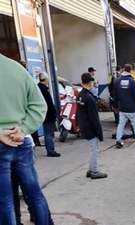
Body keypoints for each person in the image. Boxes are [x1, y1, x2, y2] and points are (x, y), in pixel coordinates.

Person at [0, 54, 51, 224]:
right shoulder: (16, 69)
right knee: (35, 194)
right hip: (21, 141)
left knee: (5, 201)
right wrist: (23, 129)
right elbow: (39, 105)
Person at [76, 72, 108, 179]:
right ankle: (94, 171)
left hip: (83, 126)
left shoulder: (80, 96)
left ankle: (90, 170)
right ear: (90, 82)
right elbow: (94, 118)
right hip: (90, 128)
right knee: (95, 150)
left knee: (92, 149)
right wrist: (99, 132)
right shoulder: (89, 98)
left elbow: (78, 113)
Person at [114, 64, 135, 148]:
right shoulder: (132, 81)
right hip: (132, 107)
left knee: (121, 125)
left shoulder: (117, 81)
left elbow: (115, 95)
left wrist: (116, 106)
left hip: (122, 107)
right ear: (130, 70)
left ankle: (118, 141)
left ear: (124, 69)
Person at [37, 72, 61, 157]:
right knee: (49, 134)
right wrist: (54, 113)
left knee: (48, 132)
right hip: (48, 115)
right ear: (46, 79)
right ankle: (50, 151)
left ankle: (50, 149)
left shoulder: (38, 88)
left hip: (44, 114)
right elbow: (49, 103)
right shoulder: (43, 89)